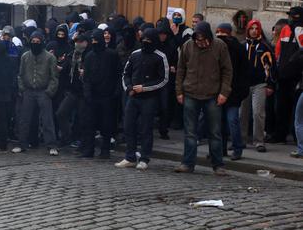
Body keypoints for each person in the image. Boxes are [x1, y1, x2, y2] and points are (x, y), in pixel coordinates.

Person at [174, 22, 233, 175]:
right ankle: (187, 163)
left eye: (203, 40)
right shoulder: (188, 46)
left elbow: (227, 71)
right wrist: (179, 91)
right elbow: (180, 69)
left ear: (209, 37)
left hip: (212, 95)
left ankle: (218, 165)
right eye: (198, 40)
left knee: (215, 132)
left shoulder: (220, 46)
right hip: (190, 93)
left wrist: (224, 92)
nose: (200, 43)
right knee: (190, 132)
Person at [115, 28, 169, 170]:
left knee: (146, 129)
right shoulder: (135, 55)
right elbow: (125, 73)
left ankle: (145, 157)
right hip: (133, 96)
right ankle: (130, 156)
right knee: (128, 126)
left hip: (149, 98)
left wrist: (144, 87)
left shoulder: (160, 57)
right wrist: (129, 88)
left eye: (149, 41)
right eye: (144, 40)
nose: (146, 43)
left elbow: (163, 79)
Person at [13, 31, 59, 155]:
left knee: (47, 119)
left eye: (37, 42)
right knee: (24, 119)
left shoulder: (50, 58)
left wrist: (49, 92)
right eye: (33, 42)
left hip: (43, 91)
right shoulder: (25, 56)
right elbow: (20, 75)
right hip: (28, 91)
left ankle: (51, 145)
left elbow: (54, 77)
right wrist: (22, 88)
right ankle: (22, 144)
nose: (35, 44)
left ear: (42, 42)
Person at [81, 29, 122, 159]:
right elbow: (86, 77)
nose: (94, 42)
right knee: (90, 124)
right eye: (92, 40)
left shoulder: (112, 55)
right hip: (93, 95)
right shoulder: (89, 56)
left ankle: (105, 150)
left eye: (96, 40)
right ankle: (89, 149)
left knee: (106, 124)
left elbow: (117, 74)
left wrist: (116, 91)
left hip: (107, 95)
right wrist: (87, 93)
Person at [215, 24, 250, 160]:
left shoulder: (237, 48)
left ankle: (237, 148)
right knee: (219, 122)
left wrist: (240, 92)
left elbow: (243, 72)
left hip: (233, 92)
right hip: (218, 91)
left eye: (222, 33)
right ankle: (220, 149)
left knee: (232, 120)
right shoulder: (215, 47)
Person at [242, 20, 276, 153]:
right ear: (248, 30)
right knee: (241, 114)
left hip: (260, 84)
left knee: (258, 113)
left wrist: (271, 85)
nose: (254, 31)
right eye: (252, 28)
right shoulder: (242, 46)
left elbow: (272, 68)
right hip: (244, 85)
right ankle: (241, 139)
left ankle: (259, 141)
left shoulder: (265, 47)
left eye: (257, 28)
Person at [271, 6, 303, 144]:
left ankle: (297, 138)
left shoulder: (300, 30)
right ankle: (280, 135)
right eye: (290, 16)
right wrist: (277, 69)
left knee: (296, 109)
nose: (291, 18)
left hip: (297, 76)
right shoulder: (286, 29)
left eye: (293, 16)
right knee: (281, 107)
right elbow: (279, 50)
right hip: (284, 75)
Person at [55, 34, 89, 148]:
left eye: (81, 41)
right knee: (61, 113)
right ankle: (67, 136)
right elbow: (64, 69)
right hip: (72, 91)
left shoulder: (88, 56)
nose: (78, 44)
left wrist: (85, 73)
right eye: (76, 41)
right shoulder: (71, 55)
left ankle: (80, 140)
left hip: (83, 92)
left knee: (82, 118)